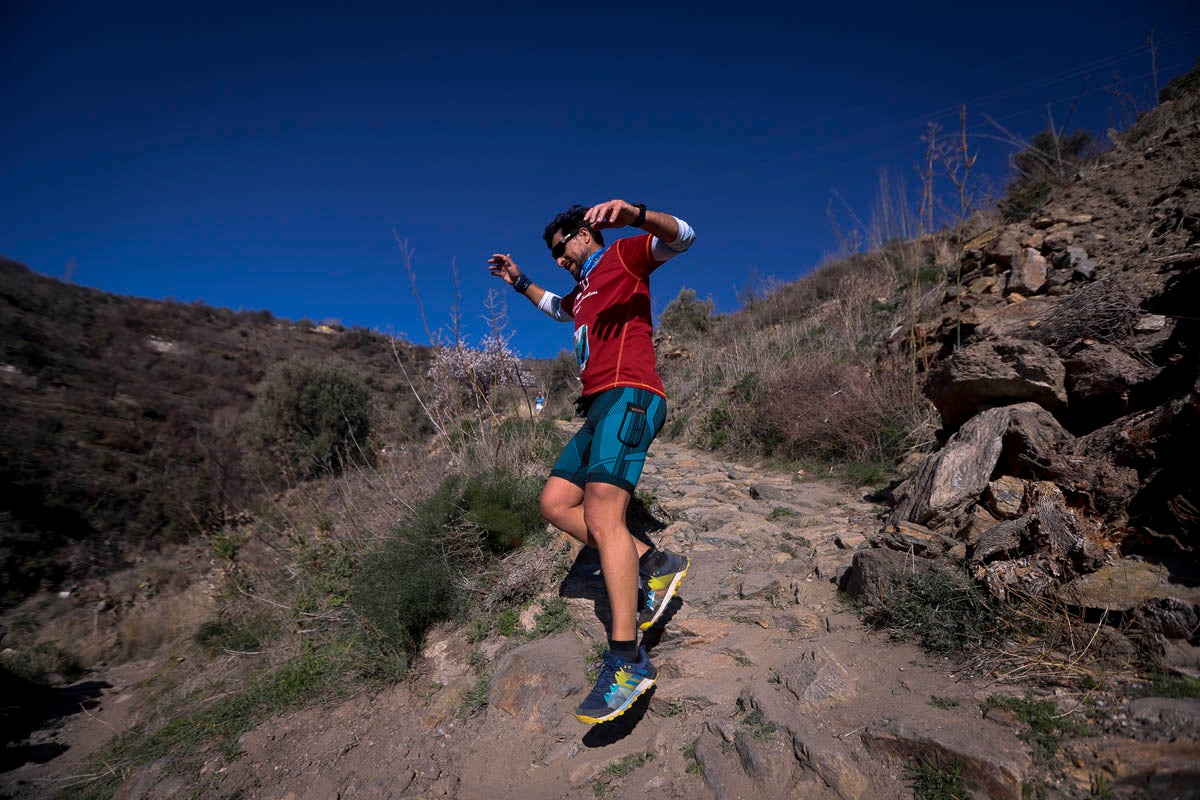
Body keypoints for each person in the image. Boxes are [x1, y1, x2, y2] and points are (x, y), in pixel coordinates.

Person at [488, 199, 694, 724]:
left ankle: (628, 659)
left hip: (632, 395)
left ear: (584, 234)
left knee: (604, 516)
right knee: (556, 502)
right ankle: (652, 562)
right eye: (554, 256)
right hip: (599, 407)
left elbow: (683, 238)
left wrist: (636, 213)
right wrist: (519, 281)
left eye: (562, 249)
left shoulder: (624, 256)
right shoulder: (582, 293)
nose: (560, 260)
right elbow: (557, 308)